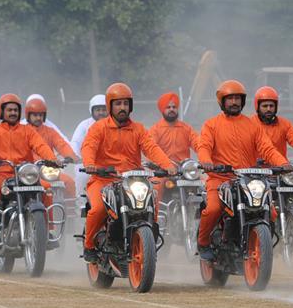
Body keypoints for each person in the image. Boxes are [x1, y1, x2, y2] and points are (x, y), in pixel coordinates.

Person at [195, 80, 289, 261]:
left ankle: (260, 244)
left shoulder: (252, 125)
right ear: (222, 101)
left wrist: (283, 164)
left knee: (272, 211)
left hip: (248, 179)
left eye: (237, 98)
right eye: (230, 99)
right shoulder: (211, 125)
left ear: (243, 101)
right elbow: (204, 146)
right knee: (213, 209)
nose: (234, 102)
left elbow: (267, 149)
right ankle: (203, 241)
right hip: (219, 179)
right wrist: (206, 161)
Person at [80, 82, 175, 261]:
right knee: (99, 209)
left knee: (151, 198)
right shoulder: (99, 128)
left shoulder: (138, 128)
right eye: (118, 104)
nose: (122, 108)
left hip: (132, 180)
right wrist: (90, 163)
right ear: (110, 106)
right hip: (103, 179)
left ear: (130, 106)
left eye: (125, 104)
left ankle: (148, 235)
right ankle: (89, 246)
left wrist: (167, 165)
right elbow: (89, 146)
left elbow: (151, 148)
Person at [0, 94, 57, 243]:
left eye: (15, 110)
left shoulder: (27, 130)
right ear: (2, 112)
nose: (13, 113)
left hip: (23, 174)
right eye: (9, 110)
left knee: (45, 188)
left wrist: (52, 159)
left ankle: (46, 229)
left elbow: (40, 145)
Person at [251, 86, 293, 211]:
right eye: (265, 106)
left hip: (281, 172)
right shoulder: (249, 124)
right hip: (256, 174)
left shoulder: (285, 125)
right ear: (257, 106)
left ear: (276, 107)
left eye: (271, 106)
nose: (268, 109)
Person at [24, 97, 78, 217]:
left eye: (41, 115)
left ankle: (69, 215)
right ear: (28, 116)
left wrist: (71, 156)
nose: (38, 118)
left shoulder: (50, 131)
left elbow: (61, 144)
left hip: (48, 170)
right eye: (35, 115)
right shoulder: (23, 132)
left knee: (69, 182)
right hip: (30, 172)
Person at [148, 91, 199, 214]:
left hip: (184, 172)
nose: (171, 110)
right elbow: (150, 148)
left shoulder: (186, 129)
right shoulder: (155, 129)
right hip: (162, 172)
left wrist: (206, 158)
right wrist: (161, 165)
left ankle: (201, 219)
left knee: (204, 184)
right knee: (155, 186)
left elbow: (199, 144)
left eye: (174, 107)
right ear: (162, 110)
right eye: (168, 107)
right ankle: (156, 217)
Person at [70, 94, 107, 193]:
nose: (101, 113)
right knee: (82, 176)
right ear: (92, 111)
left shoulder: (115, 124)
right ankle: (81, 204)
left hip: (110, 166)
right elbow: (75, 142)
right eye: (98, 110)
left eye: (104, 110)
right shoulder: (84, 125)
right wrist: (75, 156)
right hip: (87, 165)